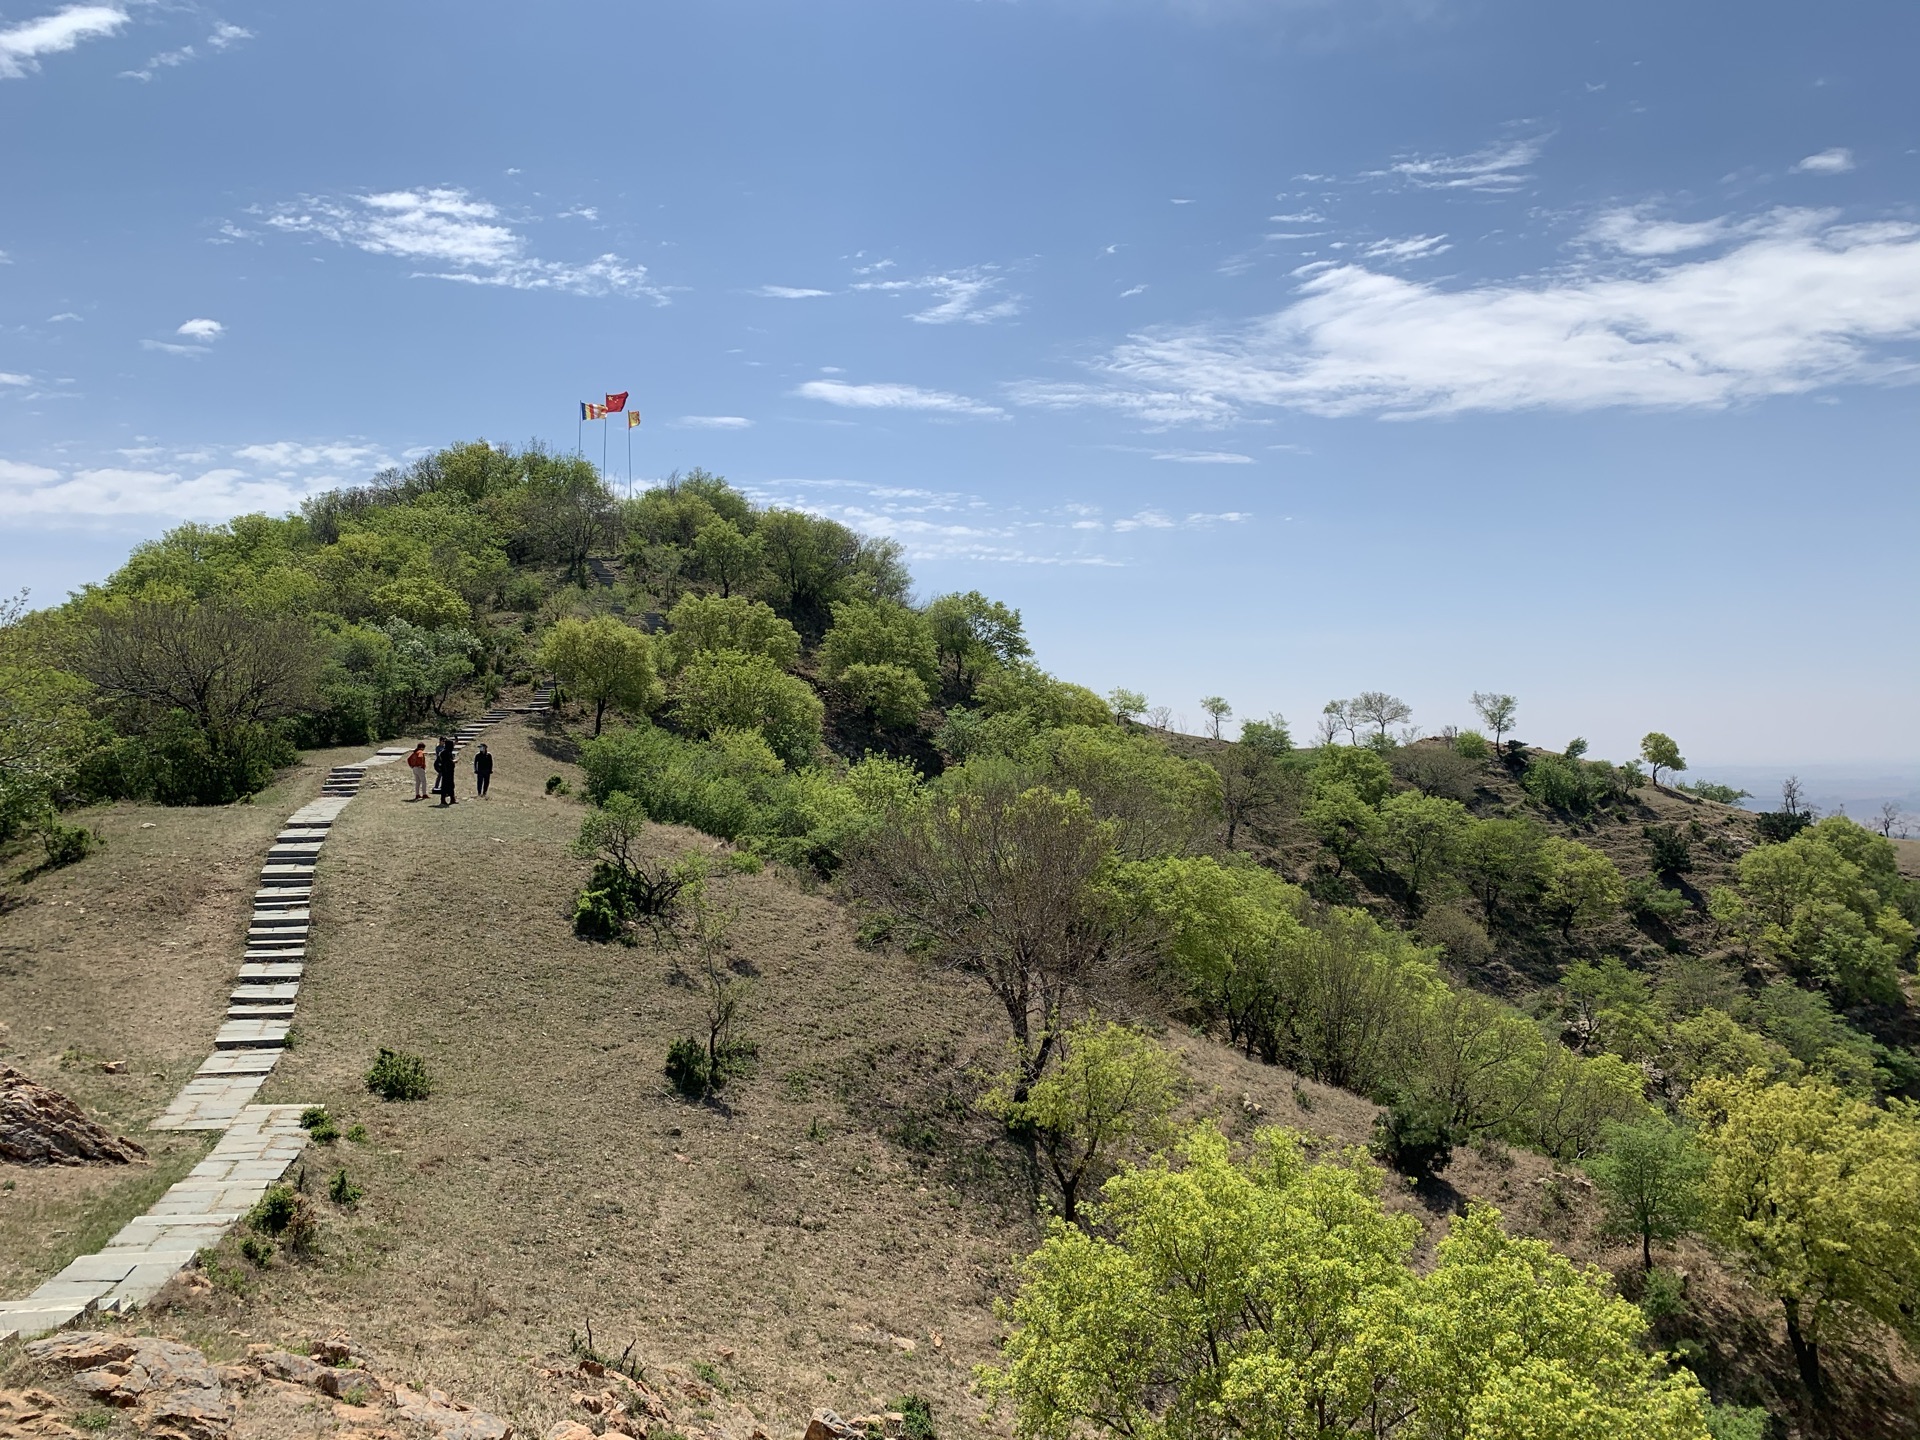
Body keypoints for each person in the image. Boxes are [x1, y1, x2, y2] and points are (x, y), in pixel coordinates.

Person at [434, 737, 457, 806]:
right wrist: (454, 761)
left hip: (450, 772)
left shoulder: (448, 752)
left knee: (451, 785)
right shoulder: (444, 753)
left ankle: (452, 799)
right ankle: (443, 800)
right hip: (446, 771)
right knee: (445, 786)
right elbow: (448, 762)